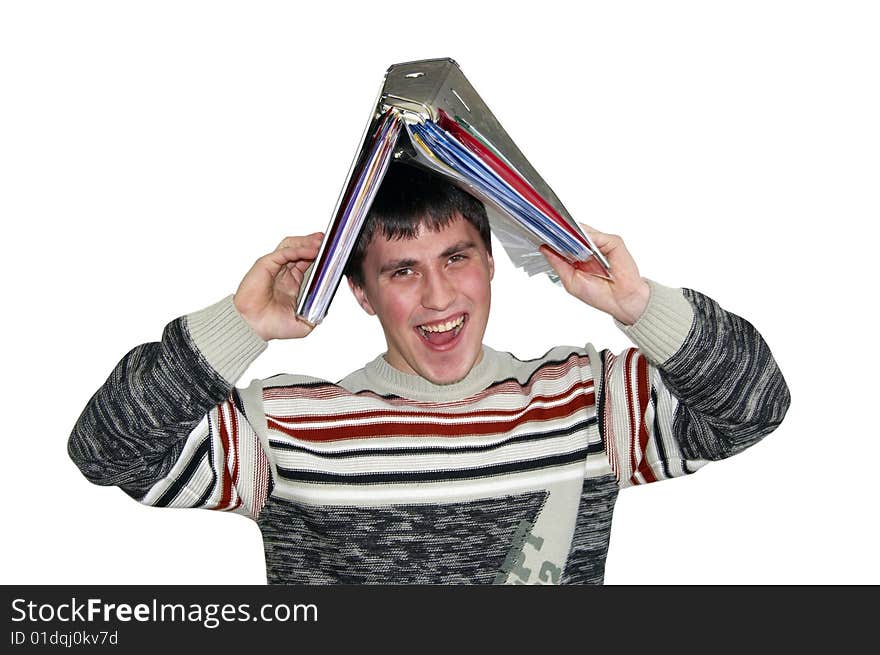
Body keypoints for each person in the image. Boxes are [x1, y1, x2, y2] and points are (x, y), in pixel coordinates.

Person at [68, 164, 790, 584]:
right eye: (402, 270)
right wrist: (241, 324)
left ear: (491, 258)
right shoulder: (284, 425)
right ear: (360, 291)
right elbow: (106, 450)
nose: (440, 298)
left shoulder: (587, 400)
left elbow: (755, 403)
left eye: (457, 257)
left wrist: (636, 304)